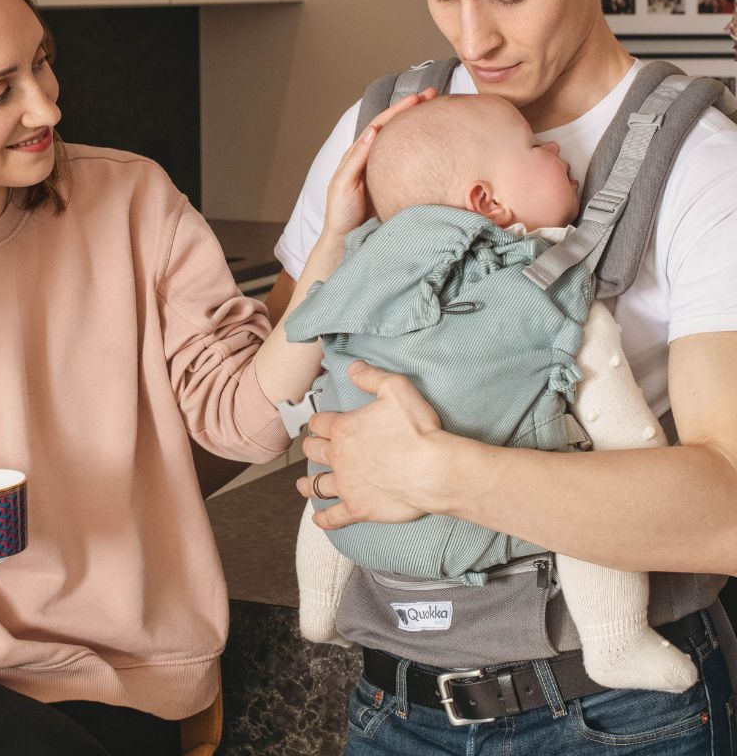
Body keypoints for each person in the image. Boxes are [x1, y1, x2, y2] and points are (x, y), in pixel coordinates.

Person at [265, 0, 737, 755]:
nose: (469, 38)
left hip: (615, 717)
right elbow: (296, 389)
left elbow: (723, 510)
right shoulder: (382, 129)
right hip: (393, 702)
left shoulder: (701, 168)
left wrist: (437, 470)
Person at [0, 0, 413, 756]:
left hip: (120, 673)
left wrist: (334, 245)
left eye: (42, 63)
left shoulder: (131, 203)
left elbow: (241, 424)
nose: (46, 107)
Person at [291, 92, 698, 694]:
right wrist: (643, 467)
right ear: (489, 202)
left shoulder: (363, 274)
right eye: (536, 146)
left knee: (333, 454)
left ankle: (319, 607)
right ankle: (615, 640)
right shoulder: (549, 291)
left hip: (361, 519)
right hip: (498, 530)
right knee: (592, 500)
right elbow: (624, 428)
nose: (556, 147)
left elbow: (304, 363)